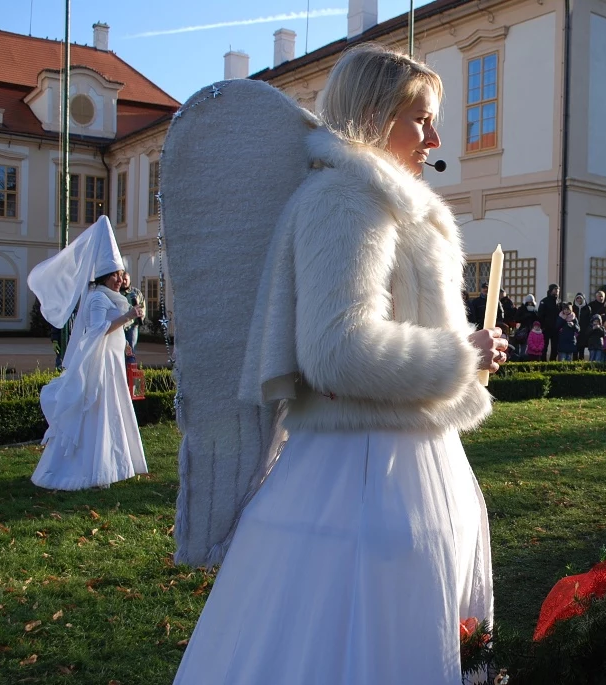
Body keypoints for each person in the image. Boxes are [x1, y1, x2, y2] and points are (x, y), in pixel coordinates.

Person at [172, 44, 507, 685]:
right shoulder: (344, 200)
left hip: (413, 460)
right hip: (357, 475)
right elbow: (337, 348)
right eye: (421, 117)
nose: (435, 136)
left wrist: (468, 350)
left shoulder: (389, 202)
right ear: (375, 114)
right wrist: (457, 356)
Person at [26, 217, 148, 490]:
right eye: (115, 274)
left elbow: (111, 328)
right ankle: (88, 469)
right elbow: (96, 330)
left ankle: (113, 464)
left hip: (112, 361)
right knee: (97, 410)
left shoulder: (109, 296)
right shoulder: (96, 298)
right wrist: (128, 316)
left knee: (112, 410)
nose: (120, 279)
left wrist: (126, 332)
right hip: (100, 363)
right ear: (105, 275)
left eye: (120, 274)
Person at [120, 272, 146, 361]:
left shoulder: (136, 293)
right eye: (122, 279)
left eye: (126, 279)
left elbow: (142, 307)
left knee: (130, 351)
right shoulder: (116, 293)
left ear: (129, 279)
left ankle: (130, 371)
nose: (124, 281)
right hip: (120, 325)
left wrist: (141, 316)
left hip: (132, 326)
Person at [537, 283, 562, 361]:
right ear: (551, 290)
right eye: (555, 289)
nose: (557, 291)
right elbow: (540, 315)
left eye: (558, 290)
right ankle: (543, 363)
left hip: (556, 329)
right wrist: (543, 326)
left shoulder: (559, 302)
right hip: (546, 328)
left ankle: (552, 363)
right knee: (544, 347)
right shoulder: (544, 301)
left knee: (555, 348)